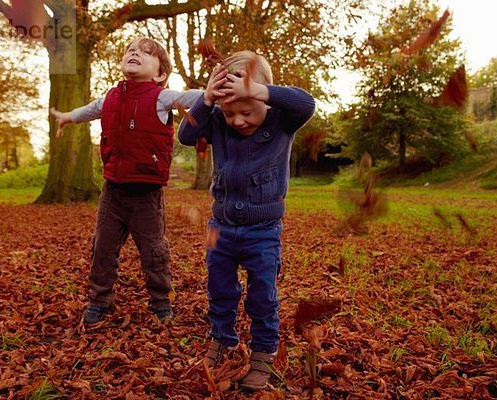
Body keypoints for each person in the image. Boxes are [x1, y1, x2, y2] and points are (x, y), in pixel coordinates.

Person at [178, 51, 315, 390]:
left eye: (246, 110)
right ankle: (222, 339)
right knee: (219, 289)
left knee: (261, 296)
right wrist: (207, 100)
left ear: (262, 99)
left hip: (263, 231)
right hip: (220, 227)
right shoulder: (216, 120)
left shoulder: (281, 120)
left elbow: (307, 103)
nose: (238, 120)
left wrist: (260, 90)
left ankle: (263, 354)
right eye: (229, 113)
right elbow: (185, 135)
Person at [50, 37, 203, 325]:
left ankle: (161, 301)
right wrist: (67, 118)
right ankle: (99, 298)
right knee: (103, 248)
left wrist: (215, 92)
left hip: (146, 194)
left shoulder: (161, 97)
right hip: (113, 191)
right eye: (130, 50)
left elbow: (193, 97)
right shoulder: (110, 97)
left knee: (154, 251)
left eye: (145, 53)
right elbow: (88, 111)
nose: (134, 53)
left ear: (159, 74)